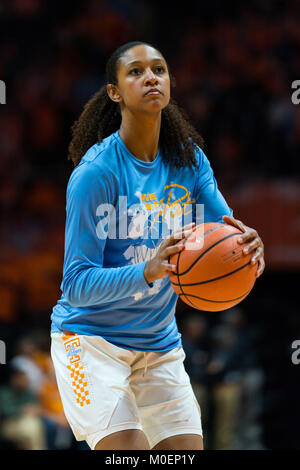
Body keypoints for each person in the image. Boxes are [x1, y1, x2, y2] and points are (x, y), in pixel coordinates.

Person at [50, 41, 265, 451]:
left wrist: (249, 248)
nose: (151, 77)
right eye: (136, 71)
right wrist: (147, 270)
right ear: (114, 92)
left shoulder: (190, 161)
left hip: (159, 346)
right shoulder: (95, 173)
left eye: (159, 69)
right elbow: (75, 284)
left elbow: (225, 236)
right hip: (88, 342)